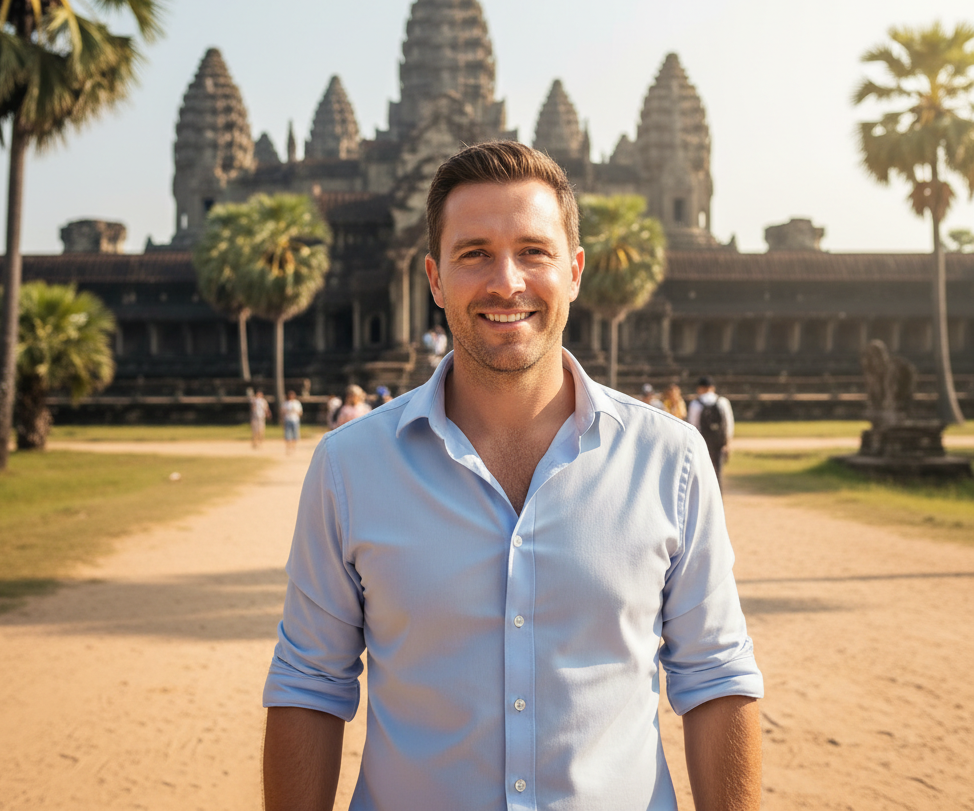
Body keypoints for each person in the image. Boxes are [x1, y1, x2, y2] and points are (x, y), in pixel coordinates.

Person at [263, 141, 762, 811]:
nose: (506, 282)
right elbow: (307, 687)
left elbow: (716, 679)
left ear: (574, 270)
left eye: (534, 250)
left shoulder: (669, 459)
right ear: (434, 278)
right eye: (474, 253)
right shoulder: (349, 468)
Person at [688, 375, 735, 491]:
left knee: (701, 473)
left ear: (700, 388)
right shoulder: (723, 402)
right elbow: (729, 424)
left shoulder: (696, 404)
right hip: (719, 441)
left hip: (702, 442)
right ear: (712, 388)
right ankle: (718, 501)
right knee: (717, 472)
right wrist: (728, 443)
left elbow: (692, 426)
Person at [281, 389, 304, 455]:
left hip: (295, 419)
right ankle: (288, 447)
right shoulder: (286, 403)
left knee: (295, 433)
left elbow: (300, 412)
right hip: (288, 419)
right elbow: (282, 412)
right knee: (287, 434)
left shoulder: (297, 403)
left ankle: (293, 447)